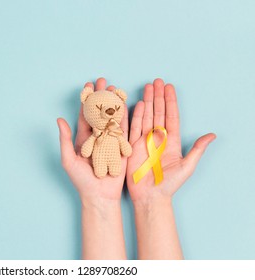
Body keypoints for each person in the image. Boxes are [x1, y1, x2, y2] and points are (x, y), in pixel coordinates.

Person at [56, 77, 216, 260]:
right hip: (100, 164)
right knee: (100, 168)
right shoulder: (100, 134)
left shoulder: (116, 133)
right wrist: (100, 199)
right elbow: (88, 148)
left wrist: (153, 200)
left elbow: (124, 147)